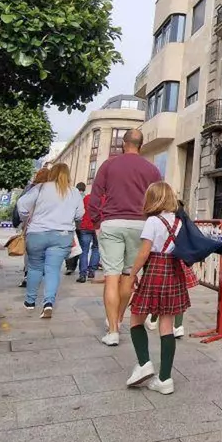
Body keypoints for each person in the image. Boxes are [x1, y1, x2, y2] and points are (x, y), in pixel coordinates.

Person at [88, 128, 162, 346]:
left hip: (112, 223)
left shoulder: (108, 165)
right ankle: (119, 318)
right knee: (129, 277)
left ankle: (112, 331)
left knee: (111, 277)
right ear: (141, 145)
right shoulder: (152, 169)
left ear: (123, 143)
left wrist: (97, 220)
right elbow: (157, 199)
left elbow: (95, 195)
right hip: (140, 225)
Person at [123, 181, 189, 395]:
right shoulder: (179, 221)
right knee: (167, 324)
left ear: (152, 199)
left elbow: (144, 252)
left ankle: (144, 363)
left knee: (136, 318)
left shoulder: (152, 221)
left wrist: (132, 274)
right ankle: (165, 379)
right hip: (174, 271)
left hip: (155, 270)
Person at [16, 163, 84, 319]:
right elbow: (80, 214)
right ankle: (48, 303)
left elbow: (22, 205)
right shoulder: (74, 192)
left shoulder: (40, 188)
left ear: (52, 173)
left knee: (34, 268)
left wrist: (26, 219)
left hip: (37, 233)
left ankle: (30, 301)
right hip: (62, 235)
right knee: (53, 270)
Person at [145, 199, 193, 338]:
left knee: (160, 293)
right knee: (178, 296)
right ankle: (178, 326)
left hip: (163, 262)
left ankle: (153, 319)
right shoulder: (183, 223)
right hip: (180, 261)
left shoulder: (158, 221)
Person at [17, 167, 52, 288]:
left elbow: (20, 205)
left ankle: (28, 275)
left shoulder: (30, 188)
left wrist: (24, 220)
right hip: (49, 226)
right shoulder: (52, 190)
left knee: (30, 252)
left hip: (31, 225)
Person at [75, 182, 100, 283]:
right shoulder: (104, 199)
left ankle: (82, 274)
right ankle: (91, 271)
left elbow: (81, 212)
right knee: (96, 249)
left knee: (84, 251)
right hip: (98, 227)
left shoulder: (86, 198)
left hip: (85, 226)